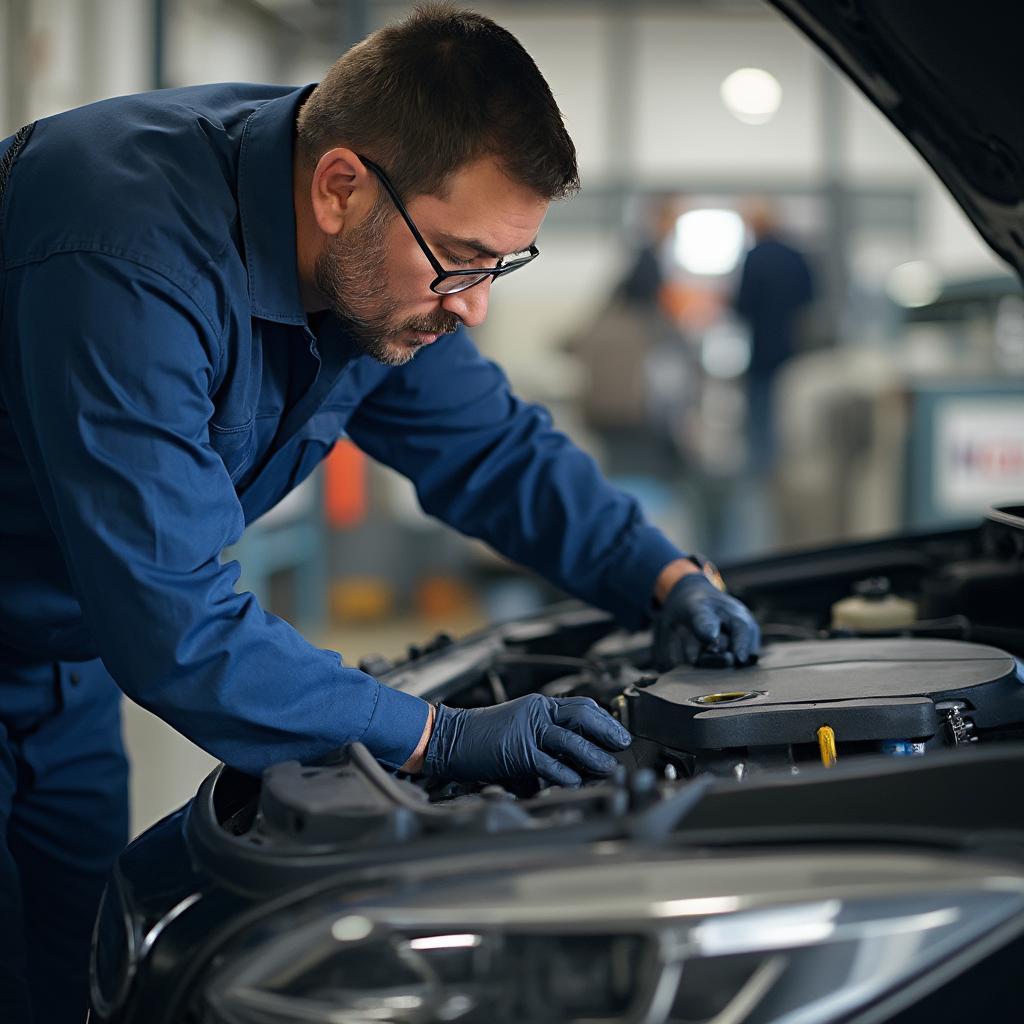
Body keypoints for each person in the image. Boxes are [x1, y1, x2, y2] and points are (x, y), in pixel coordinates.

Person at [0, 6, 759, 1020]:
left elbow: (491, 447)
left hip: (59, 649)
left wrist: (661, 576)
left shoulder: (375, 263)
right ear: (339, 186)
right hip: (82, 617)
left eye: (500, 264)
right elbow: (174, 621)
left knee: (74, 961)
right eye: (459, 258)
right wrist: (438, 738)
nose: (473, 305)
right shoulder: (122, 248)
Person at [734, 200, 816, 475]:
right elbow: (812, 301)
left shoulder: (755, 258)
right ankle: (785, 475)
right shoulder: (797, 257)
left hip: (764, 357)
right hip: (797, 357)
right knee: (792, 426)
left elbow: (742, 306)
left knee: (761, 431)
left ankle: (763, 478)